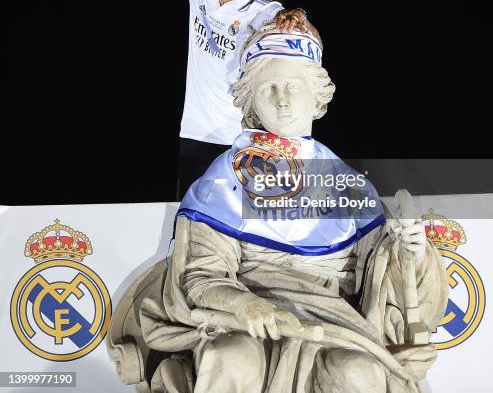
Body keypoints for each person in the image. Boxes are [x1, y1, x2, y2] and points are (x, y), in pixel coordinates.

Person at [110, 22, 448, 392]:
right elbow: (200, 278)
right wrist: (246, 306)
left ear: (316, 97)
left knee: (356, 371)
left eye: (293, 86)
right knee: (232, 357)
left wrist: (412, 254)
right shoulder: (224, 182)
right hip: (246, 317)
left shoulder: (350, 186)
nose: (282, 100)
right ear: (251, 100)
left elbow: (385, 282)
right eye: (268, 88)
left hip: (335, 324)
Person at [171, 0, 321, 199]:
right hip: (195, 133)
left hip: (239, 140)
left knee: (235, 227)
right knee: (190, 220)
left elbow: (310, 36)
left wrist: (300, 16)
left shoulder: (262, 11)